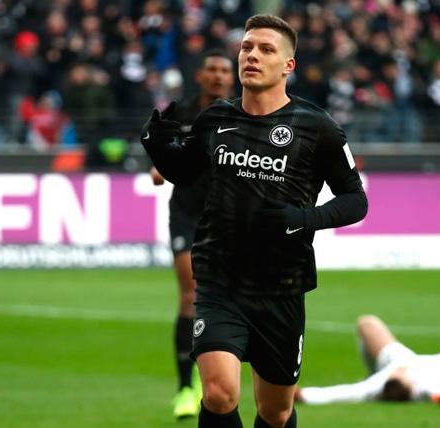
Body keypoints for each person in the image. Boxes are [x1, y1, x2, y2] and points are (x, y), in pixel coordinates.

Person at [140, 14, 368, 428]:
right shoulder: (216, 119)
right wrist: (156, 145)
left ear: (288, 65)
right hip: (219, 279)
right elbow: (185, 172)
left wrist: (304, 219)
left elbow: (356, 201)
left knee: (276, 413)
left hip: (281, 286)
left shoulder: (318, 128)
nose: (252, 55)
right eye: (246, 47)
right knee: (219, 393)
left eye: (266, 49)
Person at [148, 48, 235, 420]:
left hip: (226, 216)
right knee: (191, 294)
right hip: (186, 215)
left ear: (231, 78)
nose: (217, 76)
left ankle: (220, 377)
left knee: (231, 299)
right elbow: (158, 163)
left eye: (223, 70)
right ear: (199, 76)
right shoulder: (177, 113)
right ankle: (186, 388)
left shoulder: (240, 114)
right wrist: (162, 166)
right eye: (211, 69)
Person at [296, 297, 440, 406]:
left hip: (403, 359)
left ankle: (371, 369)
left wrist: (301, 395)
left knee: (367, 324)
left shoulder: (379, 382)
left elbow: (336, 393)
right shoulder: (433, 390)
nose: (395, 373)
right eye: (398, 375)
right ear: (412, 385)